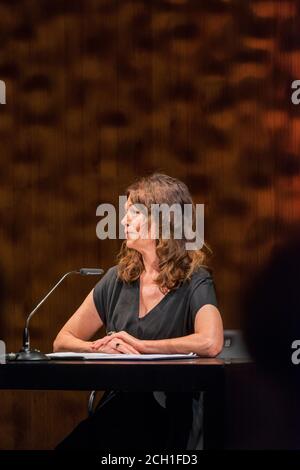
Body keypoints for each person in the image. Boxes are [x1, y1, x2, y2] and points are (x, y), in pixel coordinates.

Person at [54, 173, 223, 450]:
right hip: (119, 410)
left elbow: (211, 341)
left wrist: (140, 346)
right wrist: (99, 349)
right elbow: (62, 340)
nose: (123, 221)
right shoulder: (117, 278)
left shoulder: (195, 279)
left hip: (168, 414)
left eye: (133, 212)